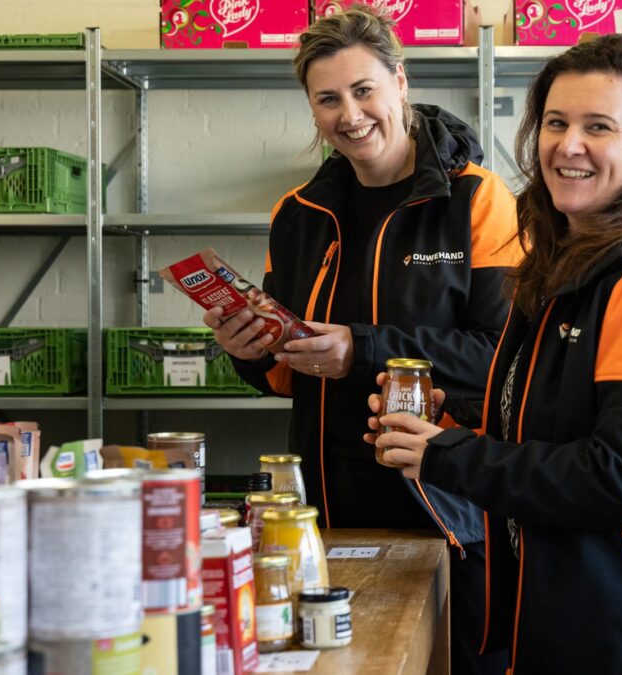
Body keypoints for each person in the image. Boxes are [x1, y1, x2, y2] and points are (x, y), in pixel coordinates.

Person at [368, 36, 622, 674]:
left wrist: (447, 456)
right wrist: (455, 423)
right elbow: (563, 422)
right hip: (585, 622)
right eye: (556, 123)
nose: (569, 145)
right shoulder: (570, 266)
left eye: (599, 127)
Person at [204, 6, 522, 673]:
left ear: (400, 82)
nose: (349, 114)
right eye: (327, 99)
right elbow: (284, 373)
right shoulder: (298, 214)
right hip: (325, 521)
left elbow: (504, 360)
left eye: (363, 90)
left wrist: (364, 349)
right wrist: (248, 349)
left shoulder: (479, 201)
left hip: (448, 517)